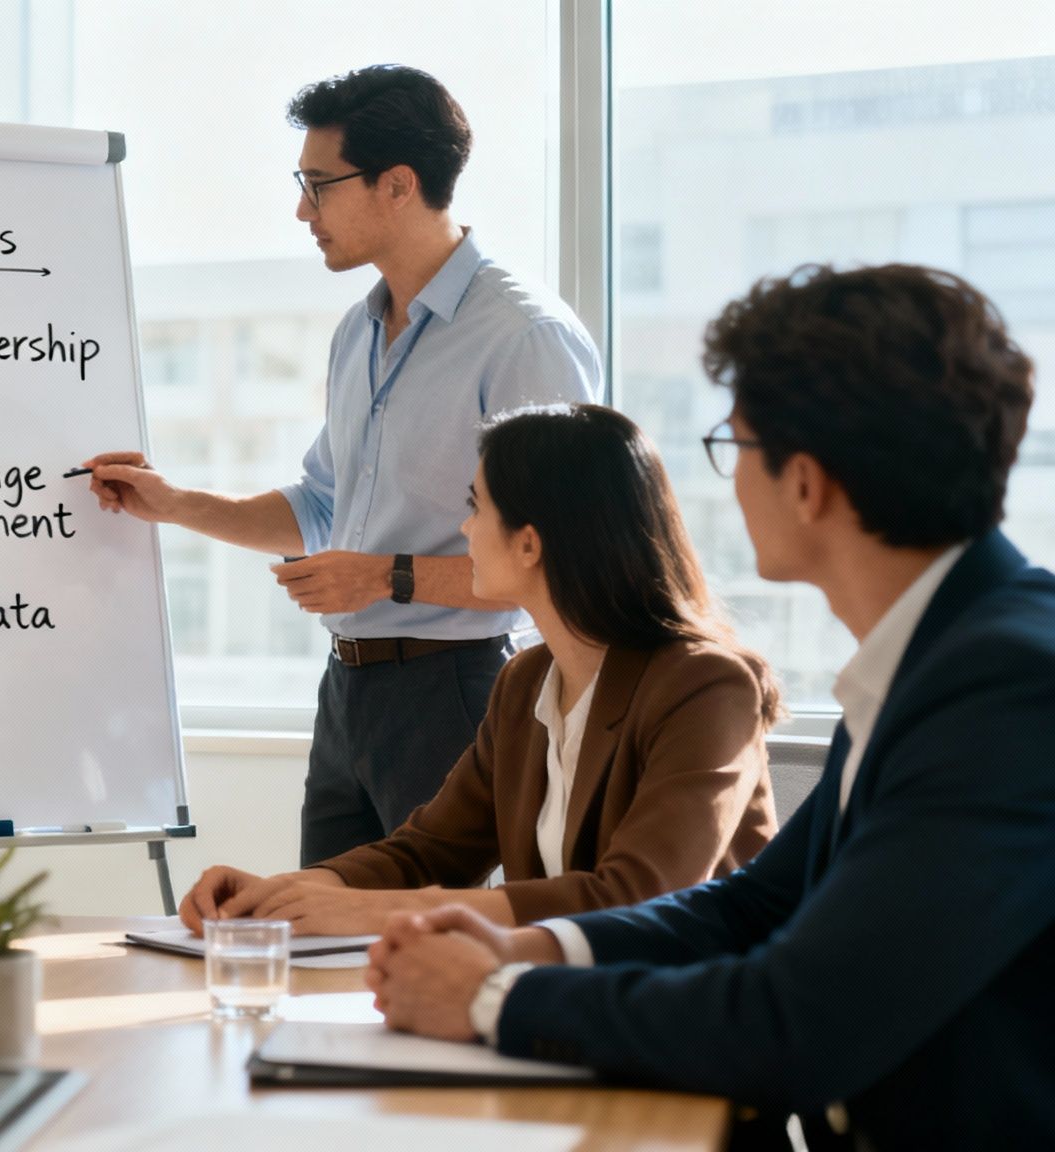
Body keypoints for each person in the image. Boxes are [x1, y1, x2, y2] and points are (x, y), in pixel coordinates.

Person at [365, 265, 1054, 1151]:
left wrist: (492, 999)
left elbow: (796, 1023)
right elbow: (751, 908)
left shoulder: (1007, 687)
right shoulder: (928, 660)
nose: (728, 484)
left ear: (805, 483)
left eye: (737, 445)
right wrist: (529, 950)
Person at [85, 64, 601, 866]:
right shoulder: (357, 333)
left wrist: (384, 577)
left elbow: (562, 566)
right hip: (347, 694)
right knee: (319, 926)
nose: (303, 210)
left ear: (397, 185)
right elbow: (320, 506)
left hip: (458, 690)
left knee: (436, 935)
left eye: (319, 185)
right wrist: (173, 503)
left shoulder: (523, 337)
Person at [180, 404, 780, 936]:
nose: (465, 528)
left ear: (529, 544)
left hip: (687, 1010)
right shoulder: (525, 683)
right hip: (565, 999)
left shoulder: (708, 686)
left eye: (476, 507)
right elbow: (428, 852)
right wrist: (283, 893)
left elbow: (637, 897)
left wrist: (371, 912)